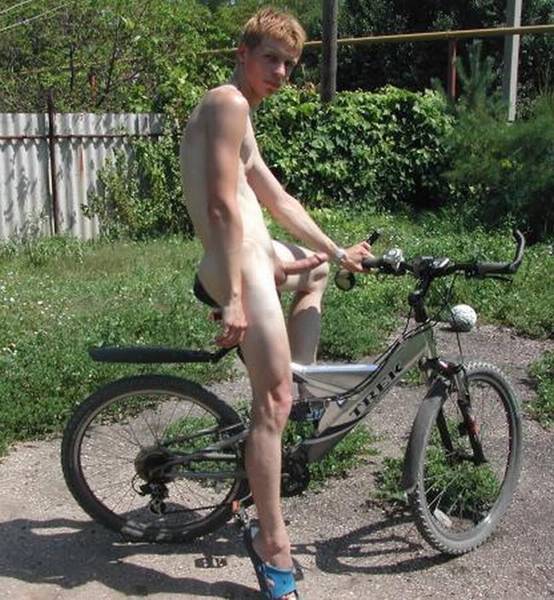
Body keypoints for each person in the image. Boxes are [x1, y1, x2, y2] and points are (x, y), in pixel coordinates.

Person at [180, 7, 372, 599]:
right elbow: (221, 207)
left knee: (316, 277)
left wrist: (335, 250)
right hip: (236, 266)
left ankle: (298, 392)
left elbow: (278, 199)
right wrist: (236, 298)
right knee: (271, 401)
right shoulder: (227, 104)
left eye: (290, 64)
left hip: (256, 259)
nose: (282, 73)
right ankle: (272, 544)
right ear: (243, 54)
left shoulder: (240, 113)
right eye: (272, 59)